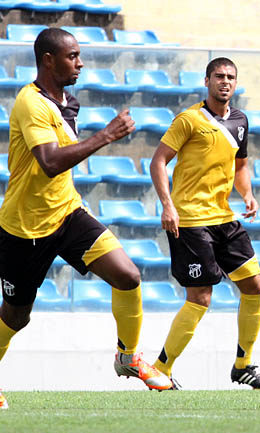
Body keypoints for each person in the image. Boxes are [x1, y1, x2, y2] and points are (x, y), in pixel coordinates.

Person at [0, 28, 173, 408]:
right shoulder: (31, 103)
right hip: (25, 228)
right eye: (72, 56)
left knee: (128, 275)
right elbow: (47, 163)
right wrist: (105, 136)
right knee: (15, 318)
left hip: (67, 213)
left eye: (79, 55)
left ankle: (127, 357)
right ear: (48, 60)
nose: (80, 62)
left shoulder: (67, 101)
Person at [149, 57, 260, 390]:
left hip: (224, 218)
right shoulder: (189, 119)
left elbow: (241, 164)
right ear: (207, 81)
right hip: (189, 220)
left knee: (254, 287)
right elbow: (158, 161)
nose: (226, 81)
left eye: (231, 77)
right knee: (200, 297)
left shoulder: (241, 120)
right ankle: (161, 368)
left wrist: (247, 194)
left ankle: (243, 365)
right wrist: (168, 205)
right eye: (219, 76)